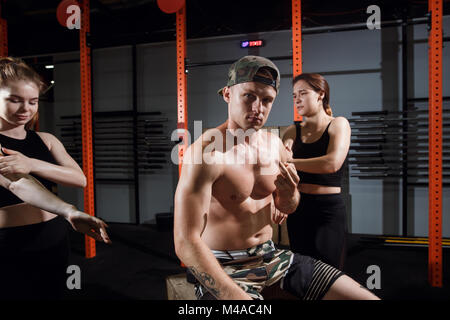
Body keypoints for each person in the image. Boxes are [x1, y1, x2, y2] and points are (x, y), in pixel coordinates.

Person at [174, 55, 378, 300]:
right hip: (224, 266)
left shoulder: (275, 146)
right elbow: (185, 242)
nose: (258, 108)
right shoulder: (205, 153)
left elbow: (286, 206)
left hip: (272, 257)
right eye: (249, 96)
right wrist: (235, 297)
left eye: (267, 100)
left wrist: (291, 194)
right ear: (228, 94)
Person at [0, 57, 111, 299]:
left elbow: (79, 179)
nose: (25, 109)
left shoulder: (45, 139)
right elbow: (17, 183)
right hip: (10, 242)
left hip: (53, 235)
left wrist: (31, 163)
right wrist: (68, 210)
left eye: (32, 101)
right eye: (14, 100)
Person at [282, 73, 350, 270]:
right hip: (299, 208)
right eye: (294, 95)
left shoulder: (338, 124)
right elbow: (280, 165)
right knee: (301, 271)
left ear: (320, 94)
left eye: (303, 93)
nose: (297, 100)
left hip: (328, 211)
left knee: (328, 274)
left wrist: (291, 161)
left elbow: (332, 163)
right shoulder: (292, 131)